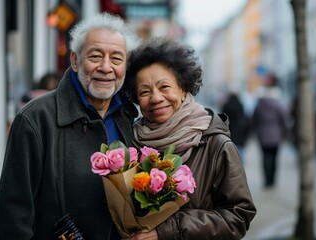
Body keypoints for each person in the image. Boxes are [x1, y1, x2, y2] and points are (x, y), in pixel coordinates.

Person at [0, 12, 140, 239]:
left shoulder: (129, 118)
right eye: (95, 56)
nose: (106, 67)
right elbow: (12, 217)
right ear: (74, 60)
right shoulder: (36, 119)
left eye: (117, 59)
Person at [121, 38, 256, 239]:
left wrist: (166, 231)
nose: (156, 98)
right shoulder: (130, 143)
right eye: (145, 91)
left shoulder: (216, 145)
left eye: (164, 87)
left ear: (183, 88)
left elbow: (238, 217)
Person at [252, 74, 288, 189]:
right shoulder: (278, 105)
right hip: (276, 135)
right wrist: (285, 133)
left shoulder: (259, 105)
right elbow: (284, 119)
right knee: (274, 159)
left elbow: (254, 119)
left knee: (265, 158)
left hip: (263, 136)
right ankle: (272, 181)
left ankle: (267, 181)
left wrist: (256, 131)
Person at [221, 92, 249, 163]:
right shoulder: (240, 105)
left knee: (229, 148)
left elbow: (222, 119)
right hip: (239, 130)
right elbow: (243, 118)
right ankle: (240, 165)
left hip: (228, 130)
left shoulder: (226, 106)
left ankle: (231, 163)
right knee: (239, 149)